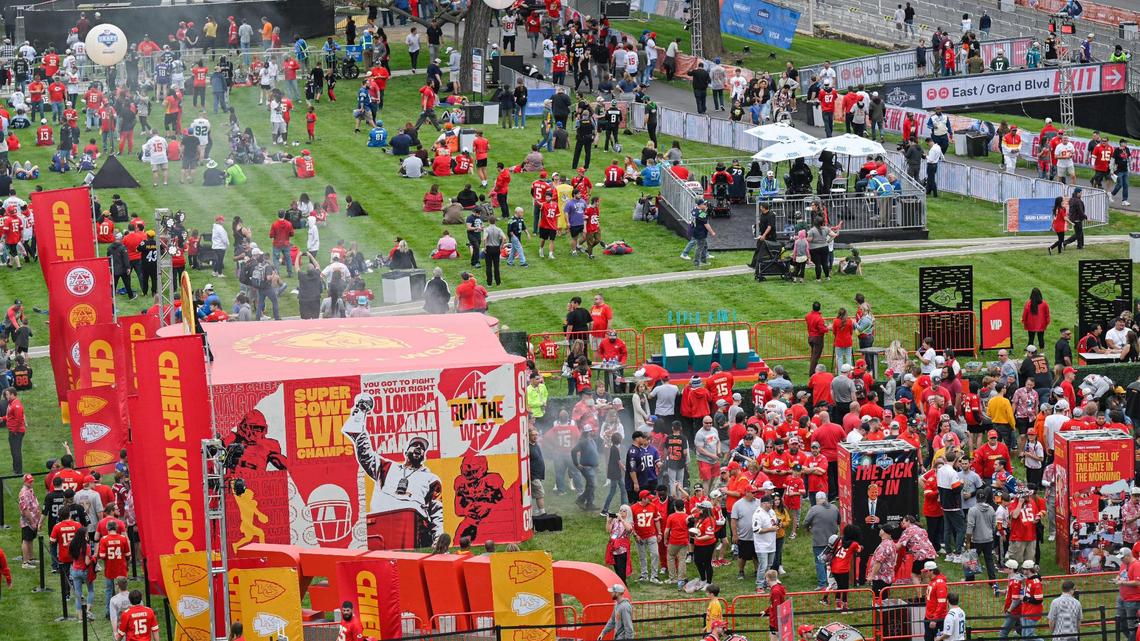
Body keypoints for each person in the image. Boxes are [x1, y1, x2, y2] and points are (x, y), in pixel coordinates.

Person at [5, 387, 24, 475]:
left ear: (13, 394)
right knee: (13, 450)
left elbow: (19, 420)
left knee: (16, 451)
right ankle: (15, 468)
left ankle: (18, 470)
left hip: (16, 432)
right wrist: (2, 418)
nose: (6, 396)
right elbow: (10, 416)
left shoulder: (16, 405)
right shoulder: (11, 403)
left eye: (7, 394)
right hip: (13, 431)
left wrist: (14, 431)